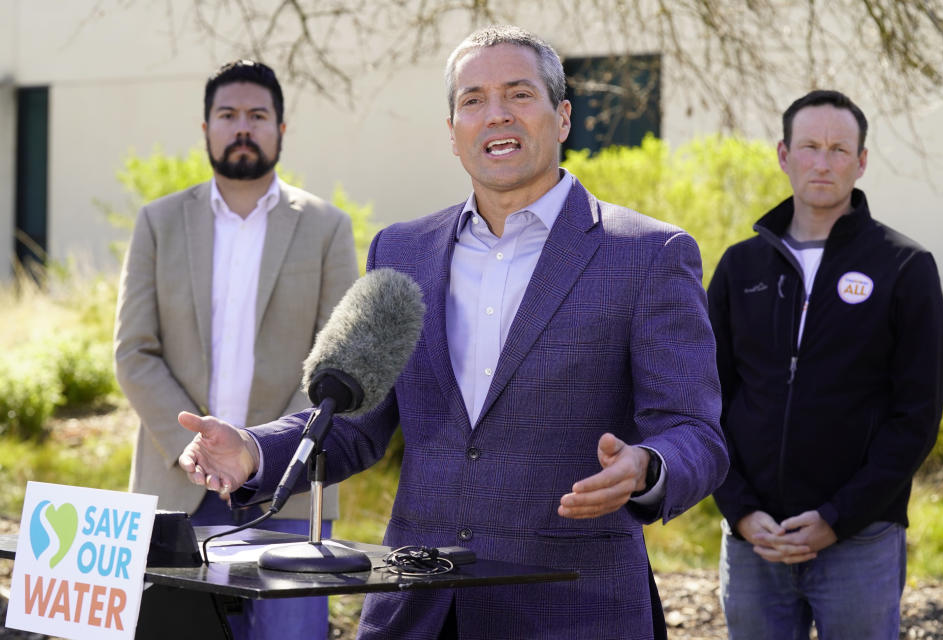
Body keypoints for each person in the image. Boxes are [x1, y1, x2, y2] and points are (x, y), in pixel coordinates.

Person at [177, 27, 728, 639]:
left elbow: (696, 432)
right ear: (452, 132)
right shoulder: (402, 250)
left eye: (519, 95)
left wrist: (648, 466)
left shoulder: (649, 254)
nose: (495, 115)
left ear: (562, 116)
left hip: (572, 605)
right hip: (419, 606)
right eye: (473, 100)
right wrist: (252, 450)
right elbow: (355, 421)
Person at [114, 60, 358, 640]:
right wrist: (193, 446)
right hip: (177, 486)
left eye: (257, 115)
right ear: (205, 128)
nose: (242, 127)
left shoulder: (327, 228)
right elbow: (134, 352)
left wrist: (261, 453)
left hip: (289, 490)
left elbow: (337, 363)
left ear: (280, 128)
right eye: (228, 115)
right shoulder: (159, 223)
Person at [707, 90, 943, 639]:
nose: (823, 161)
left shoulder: (904, 266)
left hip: (860, 539)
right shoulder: (739, 266)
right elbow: (707, 399)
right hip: (754, 541)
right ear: (782, 154)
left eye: (840, 149)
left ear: (861, 161)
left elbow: (916, 417)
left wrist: (838, 518)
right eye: (810, 146)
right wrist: (740, 510)